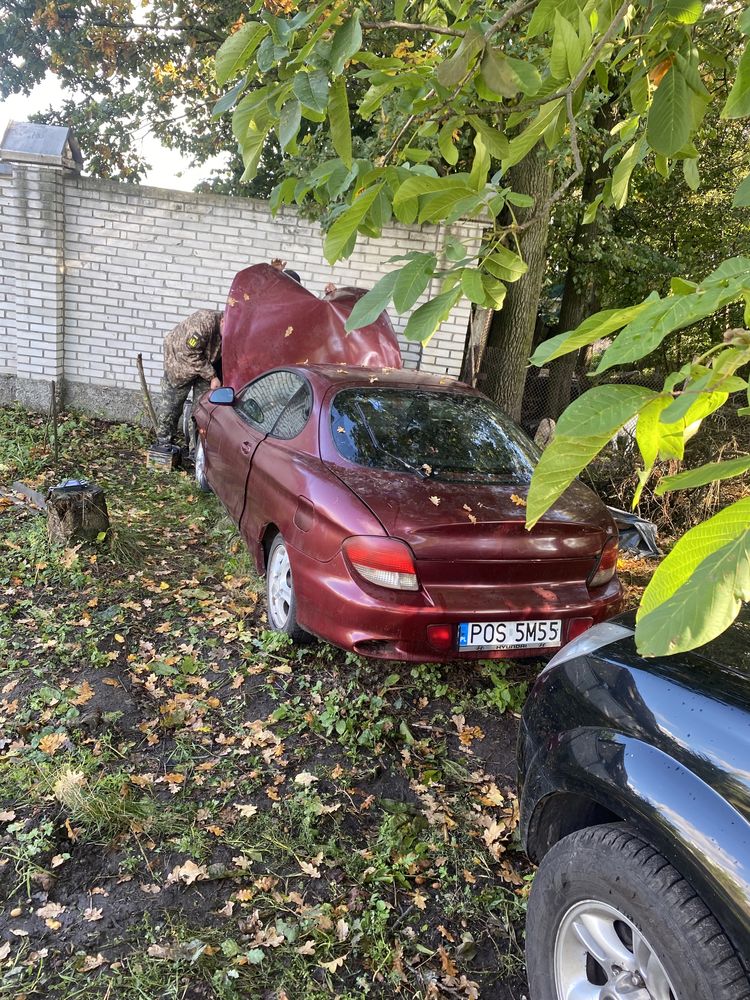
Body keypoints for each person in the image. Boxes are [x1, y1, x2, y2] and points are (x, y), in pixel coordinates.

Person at [156, 309, 223, 455]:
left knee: (202, 409)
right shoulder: (204, 322)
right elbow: (190, 353)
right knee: (171, 406)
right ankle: (163, 445)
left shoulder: (231, 327)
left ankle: (196, 450)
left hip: (205, 366)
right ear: (223, 322)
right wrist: (212, 376)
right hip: (180, 364)